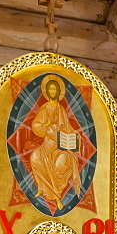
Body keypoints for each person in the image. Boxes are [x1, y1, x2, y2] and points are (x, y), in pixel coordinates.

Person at [28, 78, 81, 211]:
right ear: (47, 91)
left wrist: (75, 135)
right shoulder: (45, 108)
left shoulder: (61, 109)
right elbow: (36, 126)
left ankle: (57, 196)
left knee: (60, 163)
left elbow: (68, 128)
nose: (52, 91)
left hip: (61, 146)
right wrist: (46, 126)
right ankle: (42, 187)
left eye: (54, 89)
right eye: (50, 89)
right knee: (35, 157)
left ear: (58, 92)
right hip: (48, 145)